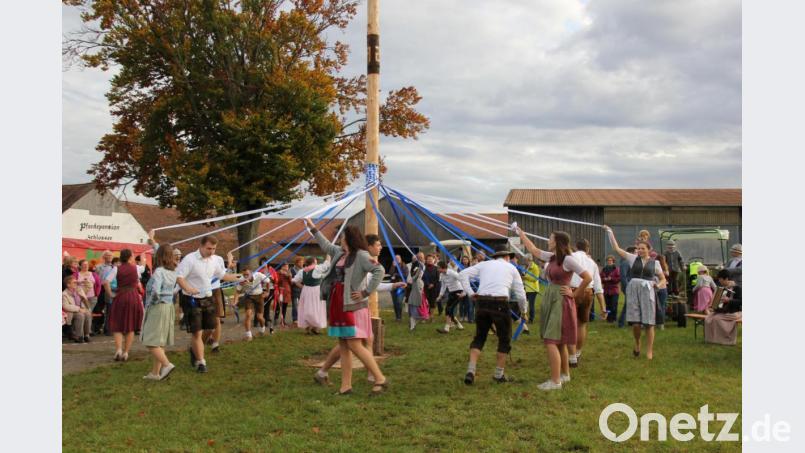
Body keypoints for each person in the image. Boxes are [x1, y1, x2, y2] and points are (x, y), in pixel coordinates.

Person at [305, 219, 389, 396]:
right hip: (338, 301)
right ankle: (345, 386)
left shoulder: (361, 255)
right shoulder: (339, 253)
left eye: (343, 237)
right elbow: (325, 244)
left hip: (351, 303)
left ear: (349, 238)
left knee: (353, 342)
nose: (340, 240)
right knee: (344, 344)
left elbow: (379, 270)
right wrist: (312, 227)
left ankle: (380, 377)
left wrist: (365, 292)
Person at [516, 227, 591, 390]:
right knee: (560, 342)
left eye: (551, 239)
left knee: (551, 340)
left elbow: (587, 277)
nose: (548, 241)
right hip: (551, 296)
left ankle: (555, 381)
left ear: (558, 242)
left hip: (561, 300)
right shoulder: (552, 257)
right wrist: (521, 234)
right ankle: (565, 375)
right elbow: (534, 250)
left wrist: (574, 293)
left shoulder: (568, 260)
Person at [458, 243, 527, 386]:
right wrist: (524, 311)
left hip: (482, 302)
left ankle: (471, 371)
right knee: (504, 339)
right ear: (507, 257)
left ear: (495, 256)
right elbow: (520, 294)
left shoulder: (484, 264)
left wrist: (471, 293)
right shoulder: (512, 268)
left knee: (479, 337)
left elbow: (462, 274)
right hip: (500, 304)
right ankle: (498, 374)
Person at [175, 235, 239, 373]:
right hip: (191, 300)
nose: (211, 251)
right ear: (201, 246)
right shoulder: (190, 259)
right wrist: (188, 288)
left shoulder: (214, 260)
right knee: (197, 332)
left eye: (214, 249)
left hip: (208, 298)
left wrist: (241, 277)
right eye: (209, 248)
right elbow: (179, 277)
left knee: (211, 328)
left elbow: (223, 276)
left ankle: (195, 349)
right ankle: (201, 362)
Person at [605, 226, 666, 360]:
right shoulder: (633, 259)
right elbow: (617, 248)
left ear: (648, 250)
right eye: (638, 248)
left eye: (642, 248)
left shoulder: (655, 263)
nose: (639, 250)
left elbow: (663, 279)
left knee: (649, 323)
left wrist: (657, 285)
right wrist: (610, 233)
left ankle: (649, 350)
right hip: (634, 291)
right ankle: (637, 342)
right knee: (636, 324)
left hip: (648, 292)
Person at [141, 243, 178, 381]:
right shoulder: (174, 271)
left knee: (150, 340)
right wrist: (153, 241)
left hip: (158, 307)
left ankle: (167, 364)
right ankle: (155, 373)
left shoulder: (159, 272)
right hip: (169, 307)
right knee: (159, 341)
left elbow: (156, 291)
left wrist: (151, 303)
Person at [568, 239, 604, 368]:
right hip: (588, 292)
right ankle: (577, 353)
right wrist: (603, 307)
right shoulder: (592, 262)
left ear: (576, 247)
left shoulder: (569, 258)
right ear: (587, 249)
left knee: (569, 324)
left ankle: (572, 357)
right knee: (581, 325)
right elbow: (598, 286)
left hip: (572, 291)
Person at [108, 249, 145, 361]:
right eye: (133, 256)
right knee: (131, 325)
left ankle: (119, 349)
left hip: (120, 297)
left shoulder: (116, 268)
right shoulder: (136, 268)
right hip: (133, 297)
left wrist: (110, 293)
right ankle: (126, 353)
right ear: (130, 257)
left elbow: (105, 281)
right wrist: (143, 257)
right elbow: (143, 266)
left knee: (117, 324)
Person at [293, 256, 330, 334]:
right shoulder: (317, 268)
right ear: (313, 262)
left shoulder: (302, 271)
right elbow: (326, 264)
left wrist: (303, 286)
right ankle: (315, 328)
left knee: (306, 308)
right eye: (316, 260)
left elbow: (295, 280)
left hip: (306, 291)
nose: (317, 262)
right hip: (316, 290)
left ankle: (308, 328)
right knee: (317, 308)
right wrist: (328, 255)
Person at [704, 269, 742, 345]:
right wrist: (713, 306)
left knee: (716, 319)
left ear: (727, 279)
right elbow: (717, 303)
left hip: (734, 312)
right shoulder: (721, 289)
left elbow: (741, 301)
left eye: (721, 279)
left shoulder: (737, 288)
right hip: (724, 311)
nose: (719, 281)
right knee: (708, 318)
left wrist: (729, 300)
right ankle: (711, 339)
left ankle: (725, 340)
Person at [234, 266, 269, 340]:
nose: (245, 276)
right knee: (248, 315)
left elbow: (268, 281)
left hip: (259, 296)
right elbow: (237, 291)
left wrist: (267, 292)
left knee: (260, 317)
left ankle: (262, 330)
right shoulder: (241, 279)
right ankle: (249, 336)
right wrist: (235, 301)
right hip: (249, 297)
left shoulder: (259, 275)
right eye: (244, 275)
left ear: (251, 273)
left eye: (247, 274)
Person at [436, 260, 465, 334]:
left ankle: (447, 328)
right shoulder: (442, 275)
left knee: (449, 309)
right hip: (451, 292)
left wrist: (463, 293)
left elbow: (462, 280)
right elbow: (443, 286)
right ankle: (459, 325)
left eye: (438, 268)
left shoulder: (452, 273)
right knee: (448, 309)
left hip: (459, 291)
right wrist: (440, 295)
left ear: (443, 268)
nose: (437, 269)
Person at [62, 276, 92, 343]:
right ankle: (79, 336)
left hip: (81, 309)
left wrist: (80, 282)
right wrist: (78, 309)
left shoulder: (79, 290)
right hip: (71, 312)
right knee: (80, 315)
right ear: (68, 285)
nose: (76, 283)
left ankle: (87, 335)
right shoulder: (64, 294)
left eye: (76, 282)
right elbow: (65, 306)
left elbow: (89, 286)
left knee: (88, 314)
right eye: (74, 282)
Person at [406, 255, 427, 331]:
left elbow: (421, 272)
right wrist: (420, 268)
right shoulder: (414, 279)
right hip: (415, 299)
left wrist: (421, 266)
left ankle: (412, 325)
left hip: (419, 298)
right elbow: (417, 274)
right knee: (414, 313)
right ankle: (412, 326)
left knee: (417, 314)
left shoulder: (420, 281)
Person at [617, 247, 636, 328]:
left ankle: (631, 321)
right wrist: (627, 287)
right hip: (628, 286)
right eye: (635, 252)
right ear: (630, 253)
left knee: (631, 304)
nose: (636, 253)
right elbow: (623, 277)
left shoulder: (629, 262)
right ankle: (621, 323)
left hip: (630, 286)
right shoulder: (625, 262)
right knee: (628, 304)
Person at [522, 254, 541, 325]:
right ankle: (524, 317)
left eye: (526, 260)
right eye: (525, 260)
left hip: (533, 289)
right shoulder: (526, 267)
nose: (525, 262)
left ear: (530, 260)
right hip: (526, 288)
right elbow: (524, 274)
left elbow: (535, 278)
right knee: (524, 304)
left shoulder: (535, 267)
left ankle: (531, 319)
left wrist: (526, 278)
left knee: (531, 305)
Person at [600, 256, 621, 323]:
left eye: (611, 260)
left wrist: (611, 279)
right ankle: (608, 318)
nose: (609, 261)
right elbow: (600, 278)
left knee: (614, 305)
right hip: (606, 290)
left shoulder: (616, 269)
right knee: (607, 304)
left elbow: (619, 278)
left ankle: (614, 318)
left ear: (613, 261)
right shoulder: (604, 269)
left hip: (614, 289)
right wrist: (604, 279)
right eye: (608, 260)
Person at [390, 254, 409, 322]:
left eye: (398, 258)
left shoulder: (404, 265)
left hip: (401, 286)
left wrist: (396, 274)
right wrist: (393, 266)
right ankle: (397, 317)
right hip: (393, 286)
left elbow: (405, 275)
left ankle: (400, 317)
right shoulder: (393, 265)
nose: (397, 259)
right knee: (395, 302)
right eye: (395, 258)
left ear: (400, 259)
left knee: (399, 302)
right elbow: (390, 273)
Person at [274, 263, 293, 328]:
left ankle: (283, 320)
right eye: (285, 266)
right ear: (282, 267)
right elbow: (276, 281)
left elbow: (291, 283)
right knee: (278, 306)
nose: (286, 268)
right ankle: (276, 318)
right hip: (280, 290)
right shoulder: (278, 273)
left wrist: (289, 276)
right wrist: (281, 274)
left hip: (287, 291)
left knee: (285, 306)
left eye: (287, 266)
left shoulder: (289, 273)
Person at [655, 255, 670, 329]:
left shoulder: (654, 266)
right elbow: (667, 274)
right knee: (662, 306)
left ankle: (654, 322)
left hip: (655, 287)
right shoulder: (665, 267)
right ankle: (661, 324)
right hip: (663, 287)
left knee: (654, 306)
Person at [290, 256, 305, 326]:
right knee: (295, 305)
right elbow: (291, 280)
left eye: (302, 262)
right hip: (295, 290)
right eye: (300, 262)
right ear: (297, 263)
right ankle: (295, 319)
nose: (302, 263)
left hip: (302, 290)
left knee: (302, 305)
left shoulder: (304, 270)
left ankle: (301, 318)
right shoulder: (292, 270)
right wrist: (296, 282)